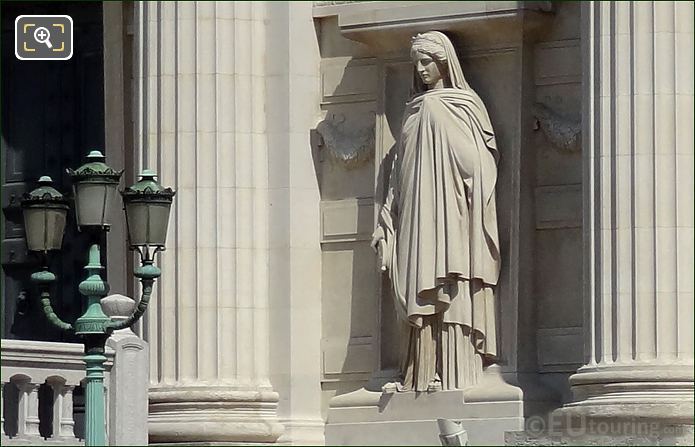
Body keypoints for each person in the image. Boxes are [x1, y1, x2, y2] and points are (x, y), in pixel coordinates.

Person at [371, 31, 500, 392]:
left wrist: (453, 178)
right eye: (417, 63)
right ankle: (417, 373)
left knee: (446, 278)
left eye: (427, 61)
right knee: (415, 283)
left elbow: (476, 163)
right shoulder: (413, 110)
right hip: (414, 214)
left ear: (444, 63)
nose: (421, 69)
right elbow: (399, 172)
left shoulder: (460, 105)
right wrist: (386, 217)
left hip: (449, 211)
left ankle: (453, 371)